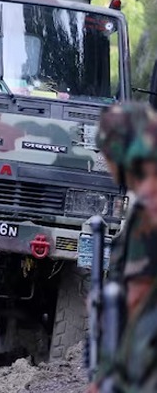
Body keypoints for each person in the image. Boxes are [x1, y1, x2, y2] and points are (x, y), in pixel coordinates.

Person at [90, 103, 157, 391]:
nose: (107, 164)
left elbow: (136, 296)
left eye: (108, 155)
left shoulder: (148, 208)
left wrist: (106, 372)